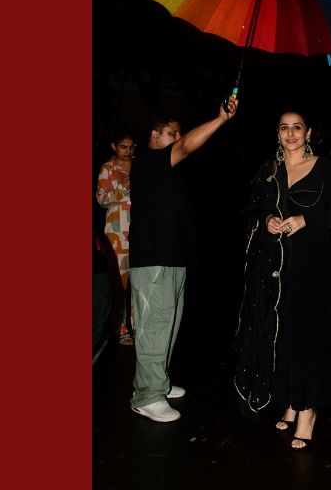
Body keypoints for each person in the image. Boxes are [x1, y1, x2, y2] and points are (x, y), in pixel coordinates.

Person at [233, 110, 331, 450]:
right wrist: (267, 219)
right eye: (284, 128)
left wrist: (305, 220)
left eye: (297, 127)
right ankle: (290, 399)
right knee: (280, 332)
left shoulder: (324, 167)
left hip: (311, 263)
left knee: (306, 332)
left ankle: (307, 410)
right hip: (274, 265)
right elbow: (252, 208)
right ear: (278, 134)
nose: (291, 133)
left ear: (308, 132)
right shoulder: (269, 170)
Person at [128, 96, 238, 423]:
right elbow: (188, 146)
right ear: (155, 135)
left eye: (178, 133)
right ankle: (146, 396)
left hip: (173, 259)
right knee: (154, 327)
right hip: (154, 259)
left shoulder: (167, 171)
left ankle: (158, 382)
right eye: (172, 133)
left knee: (169, 326)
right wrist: (220, 119)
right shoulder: (148, 161)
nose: (178, 138)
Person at [96, 127, 136, 345]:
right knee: (119, 284)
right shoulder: (108, 168)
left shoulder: (140, 165)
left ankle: (138, 326)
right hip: (117, 233)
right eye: (123, 147)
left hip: (140, 232)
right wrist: (125, 186)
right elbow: (101, 199)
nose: (128, 151)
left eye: (131, 147)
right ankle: (120, 328)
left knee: (138, 282)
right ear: (114, 146)